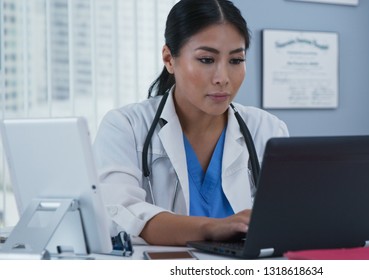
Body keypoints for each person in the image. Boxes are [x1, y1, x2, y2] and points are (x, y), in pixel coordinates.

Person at [93, 0, 289, 246]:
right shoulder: (126, 126)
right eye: (207, 59)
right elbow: (118, 214)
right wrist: (213, 228)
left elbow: (286, 219)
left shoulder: (267, 129)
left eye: (236, 60)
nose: (223, 78)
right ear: (169, 59)